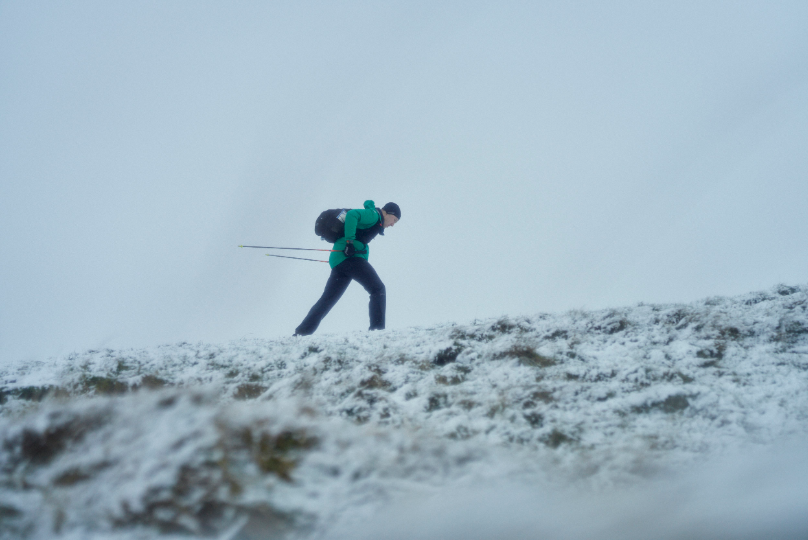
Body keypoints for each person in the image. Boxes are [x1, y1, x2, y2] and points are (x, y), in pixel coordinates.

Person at [294, 200, 401, 336]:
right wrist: (350, 242)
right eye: (394, 220)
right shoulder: (374, 215)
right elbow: (352, 215)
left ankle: (301, 333)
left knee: (328, 299)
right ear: (387, 212)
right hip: (349, 258)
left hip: (340, 259)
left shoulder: (375, 218)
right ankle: (377, 332)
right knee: (378, 289)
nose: (392, 224)